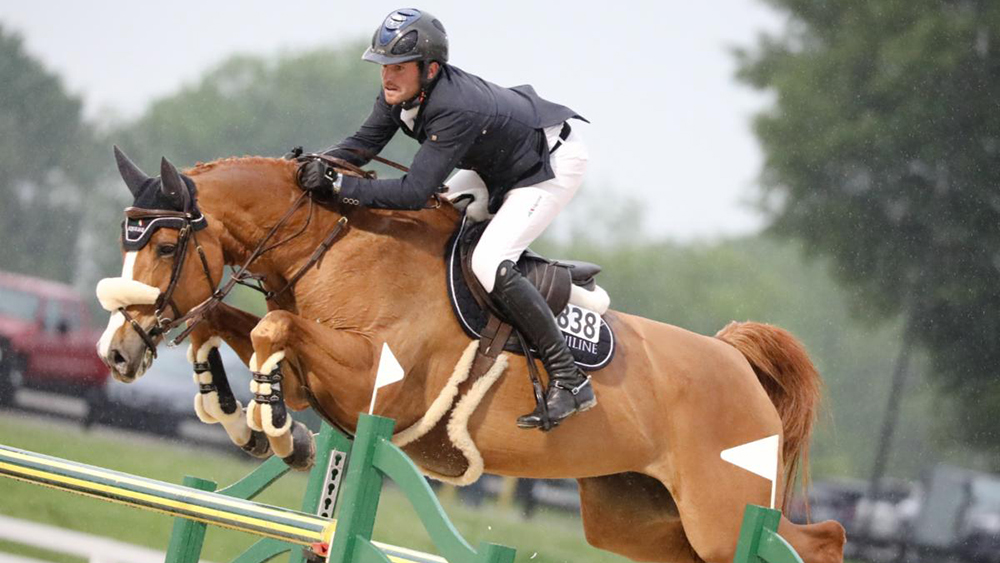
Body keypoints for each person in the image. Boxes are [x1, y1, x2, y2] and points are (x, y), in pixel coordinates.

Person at [297, 8, 593, 430]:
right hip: (502, 160)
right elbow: (362, 145)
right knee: (440, 223)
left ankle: (570, 376)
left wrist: (340, 188)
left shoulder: (455, 108)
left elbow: (414, 193)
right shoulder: (401, 94)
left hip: (550, 163)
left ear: (430, 68)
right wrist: (310, 166)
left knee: (487, 261)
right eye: (383, 66)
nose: (387, 77)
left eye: (398, 67)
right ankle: (538, 280)